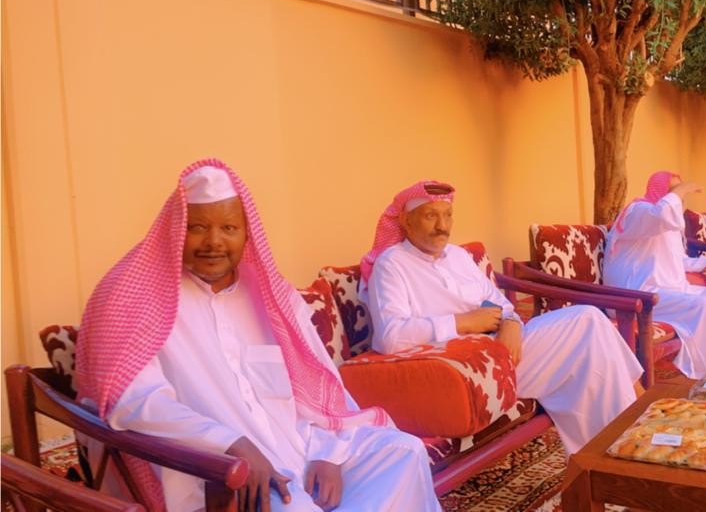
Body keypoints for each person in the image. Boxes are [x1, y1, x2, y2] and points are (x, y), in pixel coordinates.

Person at [77, 160, 440, 512]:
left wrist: (328, 452)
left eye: (228, 228)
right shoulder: (135, 297)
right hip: (213, 472)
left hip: (300, 446)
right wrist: (231, 445)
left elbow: (318, 383)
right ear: (176, 229)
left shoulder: (271, 295)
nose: (213, 242)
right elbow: (135, 401)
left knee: (402, 453)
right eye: (198, 227)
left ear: (246, 233)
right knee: (294, 507)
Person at [361, 181, 643, 455]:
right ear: (406, 221)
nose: (442, 226)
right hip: (466, 371)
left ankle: (619, 438)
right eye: (430, 216)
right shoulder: (391, 264)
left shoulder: (457, 256)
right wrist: (463, 322)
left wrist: (511, 323)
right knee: (588, 352)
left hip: (503, 348)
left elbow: (499, 303)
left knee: (588, 319)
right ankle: (629, 436)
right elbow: (390, 337)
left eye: (447, 215)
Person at [603, 171, 706, 378]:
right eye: (672, 190)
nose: (679, 196)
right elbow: (661, 214)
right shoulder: (639, 212)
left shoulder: (667, 222)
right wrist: (683, 188)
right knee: (700, 306)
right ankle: (704, 379)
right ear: (658, 191)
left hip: (668, 290)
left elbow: (678, 259)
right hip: (635, 294)